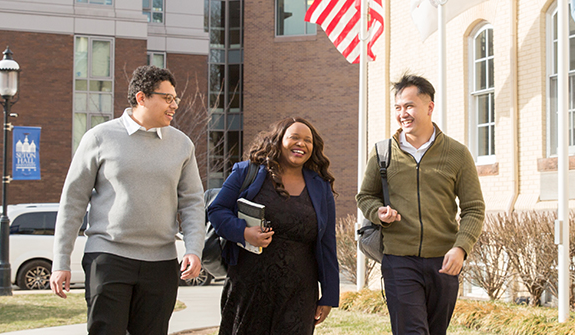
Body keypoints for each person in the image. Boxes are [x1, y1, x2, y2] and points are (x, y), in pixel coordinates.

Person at [50, 65, 205, 335]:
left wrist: (193, 249)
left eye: (175, 99)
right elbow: (73, 201)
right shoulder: (99, 138)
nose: (174, 105)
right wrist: (61, 261)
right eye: (167, 98)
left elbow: (192, 202)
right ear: (141, 98)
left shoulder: (183, 144)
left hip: (162, 262)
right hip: (108, 257)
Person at [356, 74, 485, 335]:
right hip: (399, 260)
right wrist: (378, 213)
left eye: (409, 106)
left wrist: (461, 248)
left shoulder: (457, 153)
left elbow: (473, 207)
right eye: (398, 107)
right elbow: (365, 196)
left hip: (444, 261)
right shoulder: (383, 152)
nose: (403, 113)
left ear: (429, 107)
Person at [208, 117, 340, 335]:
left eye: (308, 140)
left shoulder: (320, 187)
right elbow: (217, 210)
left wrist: (328, 295)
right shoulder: (246, 172)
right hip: (248, 287)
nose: (302, 144)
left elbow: (327, 243)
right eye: (294, 138)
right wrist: (244, 232)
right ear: (278, 141)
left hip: (299, 293)